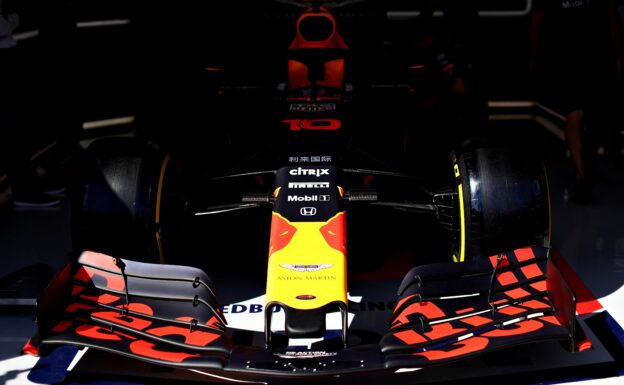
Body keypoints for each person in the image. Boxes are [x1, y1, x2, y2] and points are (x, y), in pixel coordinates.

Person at [529, 0, 623, 204]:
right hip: (593, 53)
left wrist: (533, 58)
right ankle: (584, 173)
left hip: (570, 54)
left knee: (577, 115)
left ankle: (582, 174)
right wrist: (617, 56)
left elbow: (537, 22)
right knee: (585, 114)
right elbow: (612, 16)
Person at [0, 0, 63, 208]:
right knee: (13, 128)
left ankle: (28, 185)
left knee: (18, 126)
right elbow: (4, 26)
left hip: (8, 53)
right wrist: (11, 18)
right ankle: (24, 190)